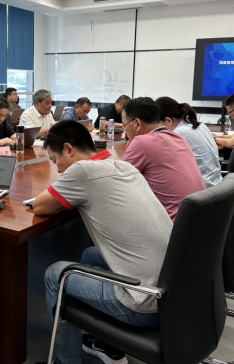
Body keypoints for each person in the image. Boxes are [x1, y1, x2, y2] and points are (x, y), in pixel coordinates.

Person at [32, 120, 172, 364]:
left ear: (69, 149)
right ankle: (106, 344)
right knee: (91, 255)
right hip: (171, 294)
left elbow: (40, 206)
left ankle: (66, 361)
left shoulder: (82, 171)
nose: (58, 169)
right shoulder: (124, 166)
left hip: (143, 304)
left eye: (55, 160)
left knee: (56, 275)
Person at [122, 97, 206, 221]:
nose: (125, 130)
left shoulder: (142, 142)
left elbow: (117, 180)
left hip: (171, 225)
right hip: (197, 220)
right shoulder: (178, 137)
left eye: (124, 125)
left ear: (137, 123)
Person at [156, 96, 222, 188]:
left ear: (168, 120)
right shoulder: (200, 125)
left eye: (158, 124)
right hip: (217, 184)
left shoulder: (178, 133)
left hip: (202, 188)